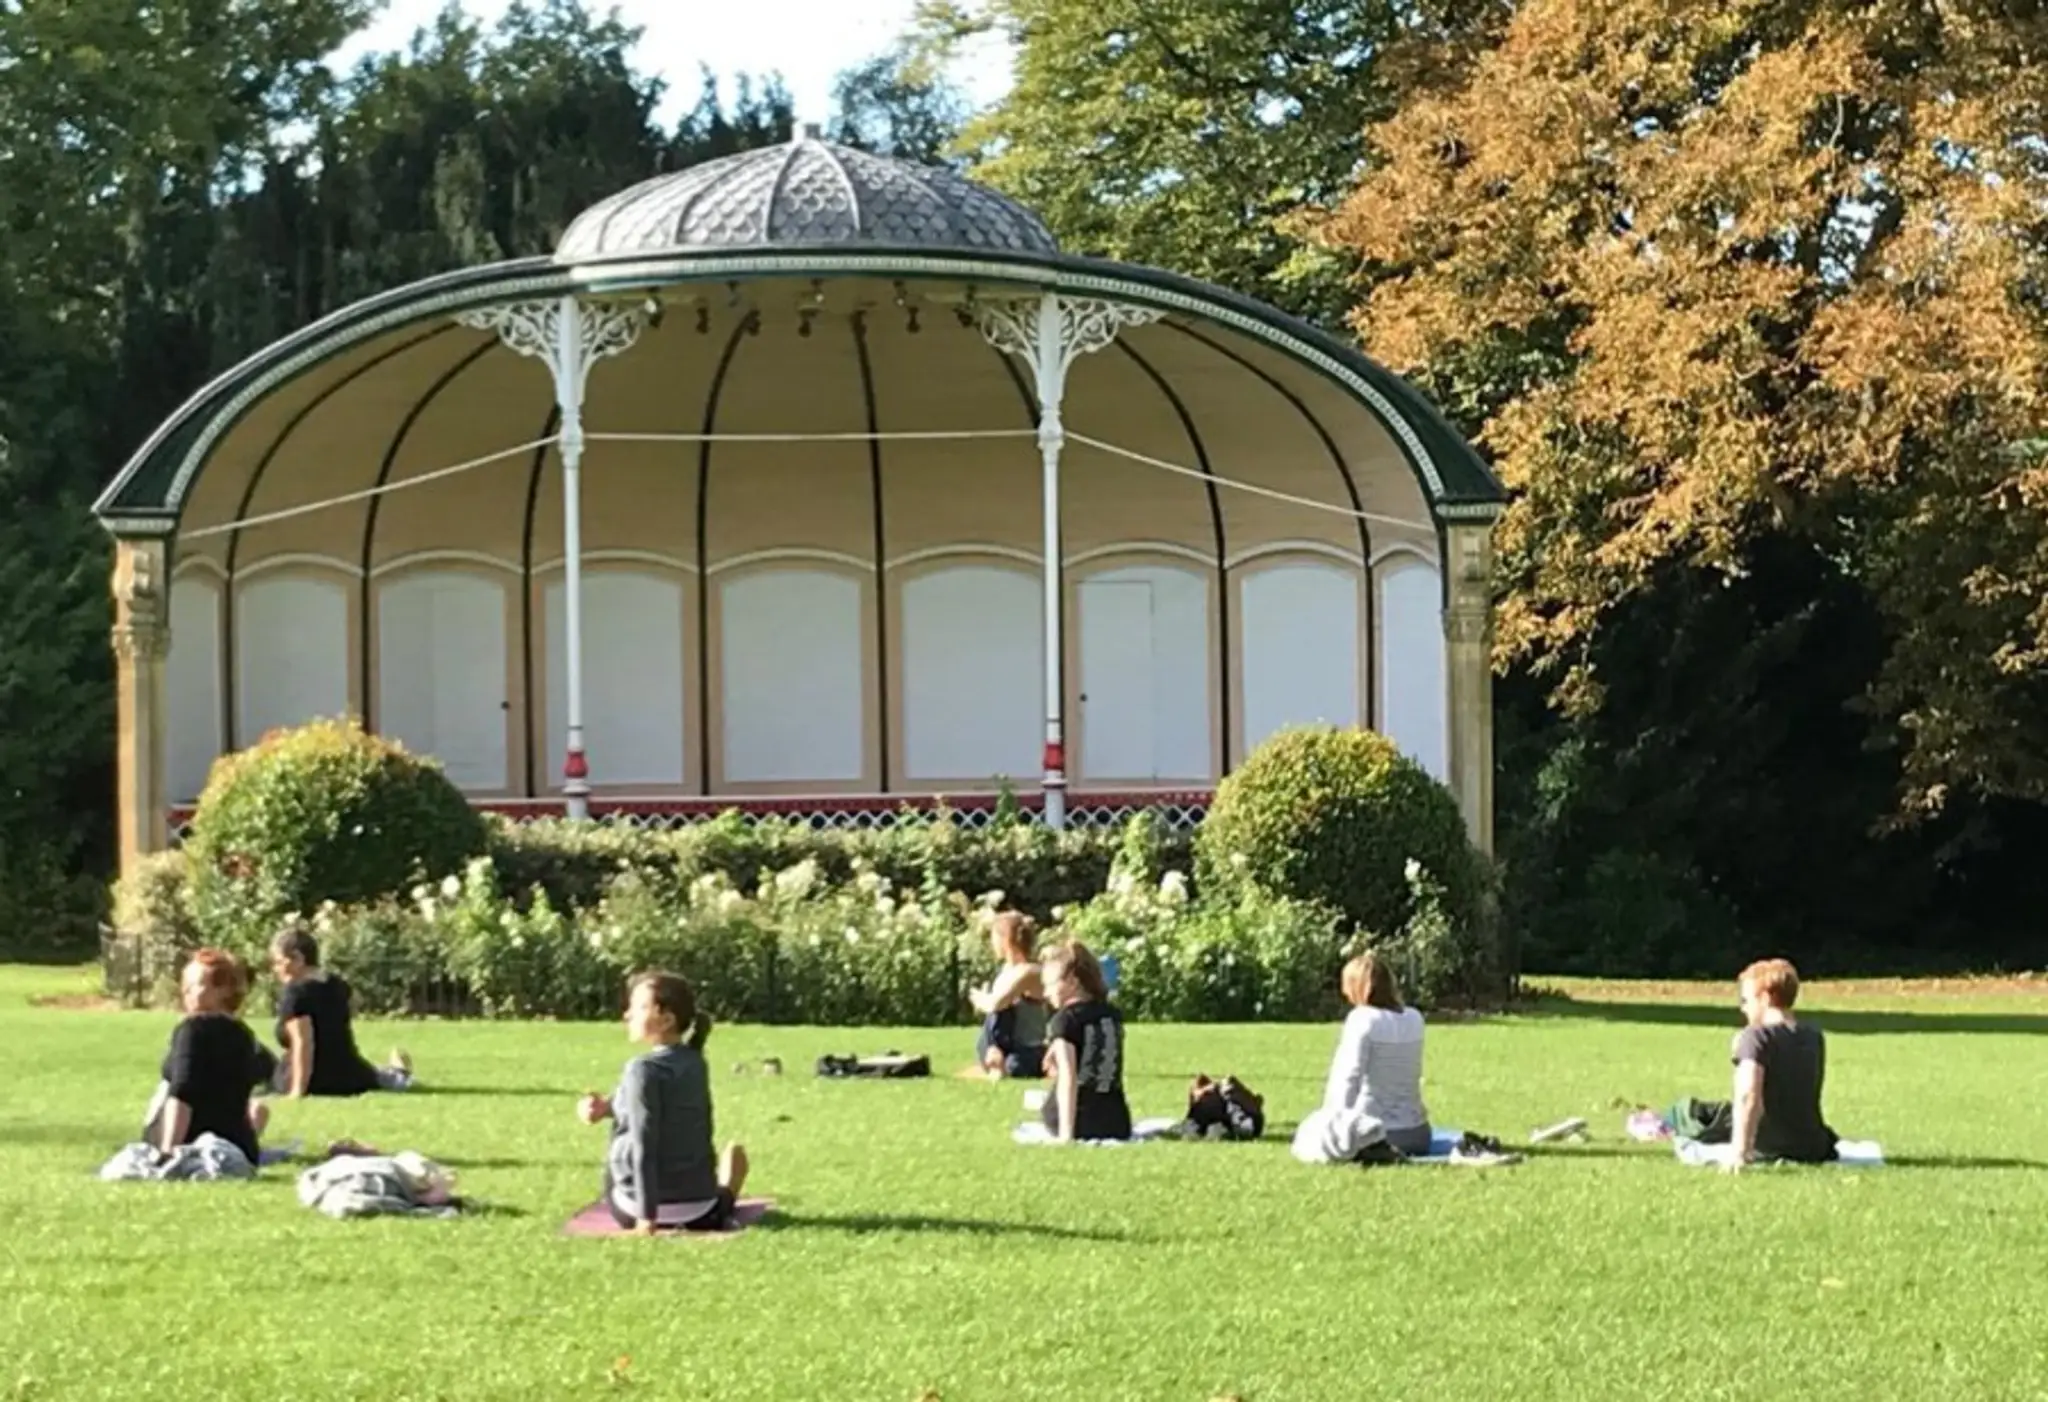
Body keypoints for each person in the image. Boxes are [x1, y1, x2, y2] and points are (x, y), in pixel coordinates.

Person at [579, 971, 750, 1234]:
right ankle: (727, 1190)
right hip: (701, 1211)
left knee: (621, 1145)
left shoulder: (641, 1068)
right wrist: (606, 1107)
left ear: (667, 1019)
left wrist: (647, 1220)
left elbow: (644, 1145)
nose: (627, 1015)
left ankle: (723, 1188)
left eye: (638, 1007)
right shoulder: (694, 1062)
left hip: (634, 1209)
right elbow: (664, 1106)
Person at [1671, 958, 1838, 1170]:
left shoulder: (1756, 1037)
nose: (1743, 1008)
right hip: (1811, 1146)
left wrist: (1739, 1152)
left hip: (1768, 1146)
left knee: (1684, 1114)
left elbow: (1748, 1096)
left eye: (1745, 1000)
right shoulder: (1813, 1036)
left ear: (1766, 998)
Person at [1291, 951, 1432, 1164]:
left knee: (1307, 1131)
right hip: (1418, 1133)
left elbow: (1348, 1078)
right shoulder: (1415, 1018)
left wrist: (1332, 1123)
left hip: (1375, 1133)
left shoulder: (1363, 1020)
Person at [142, 949, 277, 1163]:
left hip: (193, 1145)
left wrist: (168, 1152)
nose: (185, 990)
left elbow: (183, 1093)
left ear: (223, 990)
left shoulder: (193, 1029)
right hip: (240, 1148)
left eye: (194, 984)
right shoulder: (243, 1034)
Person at [269, 923, 412, 1098]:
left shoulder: (296, 992)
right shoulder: (336, 984)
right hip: (349, 1075)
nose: (275, 969)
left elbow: (303, 1043)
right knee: (383, 1077)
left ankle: (397, 1069)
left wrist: (298, 1091)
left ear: (298, 958)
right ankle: (398, 1071)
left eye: (279, 962)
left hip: (316, 1080)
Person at [1039, 940, 1132, 1143]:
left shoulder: (1065, 1020)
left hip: (1083, 1122)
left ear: (1072, 981)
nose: (1046, 993)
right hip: (1116, 1123)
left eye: (1050, 985)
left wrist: (1066, 1135)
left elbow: (1068, 1077)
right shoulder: (1112, 1014)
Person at [969, 911, 1049, 1079]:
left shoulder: (1029, 972)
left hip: (1028, 1050)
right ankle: (995, 1053)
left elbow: (996, 1005)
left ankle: (996, 1058)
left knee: (1015, 1065)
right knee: (998, 1017)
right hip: (1007, 1046)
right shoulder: (1007, 970)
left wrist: (979, 998)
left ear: (1006, 940)